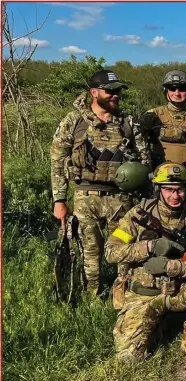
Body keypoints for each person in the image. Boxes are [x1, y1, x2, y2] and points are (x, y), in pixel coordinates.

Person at [104, 163, 186, 365]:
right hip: (144, 293)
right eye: (168, 189)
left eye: (179, 189)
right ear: (159, 189)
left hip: (178, 293)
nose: (175, 196)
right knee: (129, 359)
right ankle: (157, 323)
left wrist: (173, 267)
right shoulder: (138, 215)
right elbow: (111, 252)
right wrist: (149, 246)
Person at [50, 69, 150, 297]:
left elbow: (145, 161)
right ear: (94, 92)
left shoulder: (127, 123)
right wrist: (59, 199)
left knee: (124, 250)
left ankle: (123, 296)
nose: (115, 95)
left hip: (121, 198)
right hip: (86, 198)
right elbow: (57, 160)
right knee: (90, 252)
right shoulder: (74, 121)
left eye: (118, 91)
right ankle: (92, 298)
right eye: (110, 91)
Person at [139, 69, 186, 169]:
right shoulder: (153, 115)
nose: (177, 93)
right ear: (165, 91)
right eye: (172, 89)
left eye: (181, 89)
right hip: (159, 176)